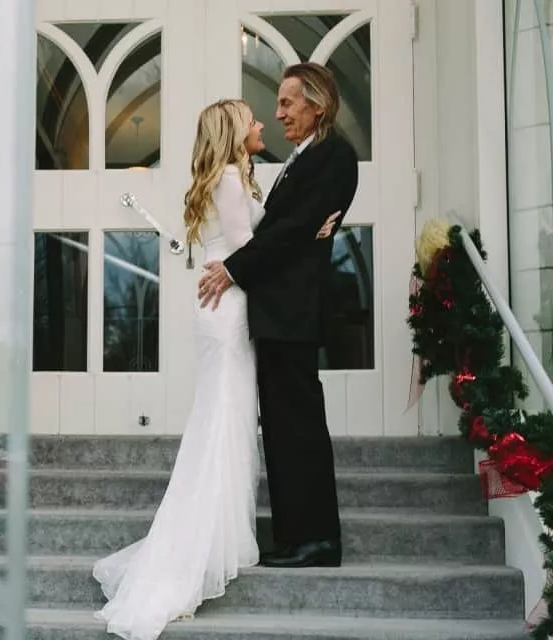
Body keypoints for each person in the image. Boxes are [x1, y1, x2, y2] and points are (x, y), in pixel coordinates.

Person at [92, 98, 336, 640]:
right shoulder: (227, 178)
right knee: (224, 423)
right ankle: (206, 548)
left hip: (224, 309)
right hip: (228, 313)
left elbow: (252, 246)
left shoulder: (227, 177)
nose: (261, 124)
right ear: (232, 131)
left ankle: (223, 538)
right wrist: (306, 240)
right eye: (251, 119)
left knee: (225, 421)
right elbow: (251, 252)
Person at [197, 62, 358, 569]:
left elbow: (293, 229)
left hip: (293, 311)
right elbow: (287, 228)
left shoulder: (334, 155)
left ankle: (317, 540)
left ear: (318, 105)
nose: (279, 112)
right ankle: (293, 536)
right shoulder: (302, 156)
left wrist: (233, 268)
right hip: (276, 310)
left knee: (298, 428)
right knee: (284, 430)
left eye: (288, 102)